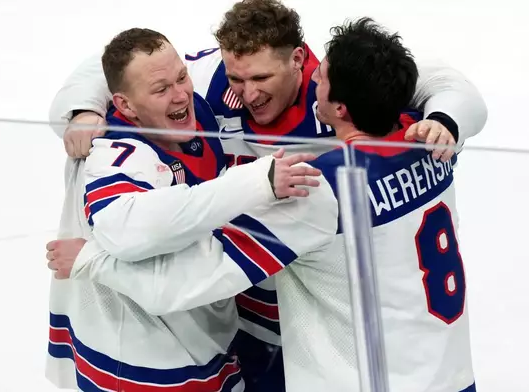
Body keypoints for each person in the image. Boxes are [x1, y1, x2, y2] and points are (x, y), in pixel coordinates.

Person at [47, 0, 487, 388]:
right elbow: (117, 63)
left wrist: (89, 260)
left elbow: (187, 277)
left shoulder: (318, 184)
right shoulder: (423, 142)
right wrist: (86, 107)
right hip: (403, 356)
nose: (248, 93)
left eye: (261, 77)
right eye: (237, 78)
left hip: (317, 334)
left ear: (302, 64)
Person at [45, 27, 329, 392]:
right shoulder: (110, 152)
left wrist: (431, 114)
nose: (181, 94)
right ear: (125, 105)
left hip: (210, 341)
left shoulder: (200, 110)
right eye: (162, 89)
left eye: (182, 78)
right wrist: (258, 182)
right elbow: (130, 231)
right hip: (140, 363)